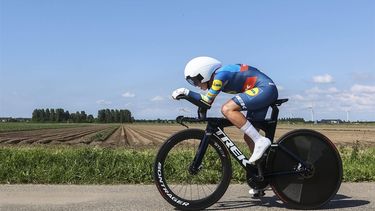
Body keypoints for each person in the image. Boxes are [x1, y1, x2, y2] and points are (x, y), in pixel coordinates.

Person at [172, 56, 278, 196]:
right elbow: (205, 105)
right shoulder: (219, 76)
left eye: (195, 80)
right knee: (248, 137)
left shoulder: (220, 75)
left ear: (204, 73)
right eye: (191, 83)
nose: (196, 85)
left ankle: (260, 140)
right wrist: (201, 112)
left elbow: (206, 101)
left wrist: (186, 93)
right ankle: (262, 178)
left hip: (264, 89)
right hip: (260, 90)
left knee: (227, 109)